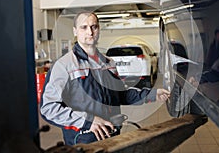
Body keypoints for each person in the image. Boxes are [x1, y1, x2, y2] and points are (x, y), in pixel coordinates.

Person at [40, 12, 170, 145]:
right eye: (83, 27)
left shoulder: (108, 63)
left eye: (94, 27)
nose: (90, 32)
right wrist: (87, 121)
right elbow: (48, 108)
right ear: (75, 31)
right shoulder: (64, 65)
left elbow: (121, 95)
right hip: (83, 140)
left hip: (111, 136)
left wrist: (152, 94)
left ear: (99, 30)